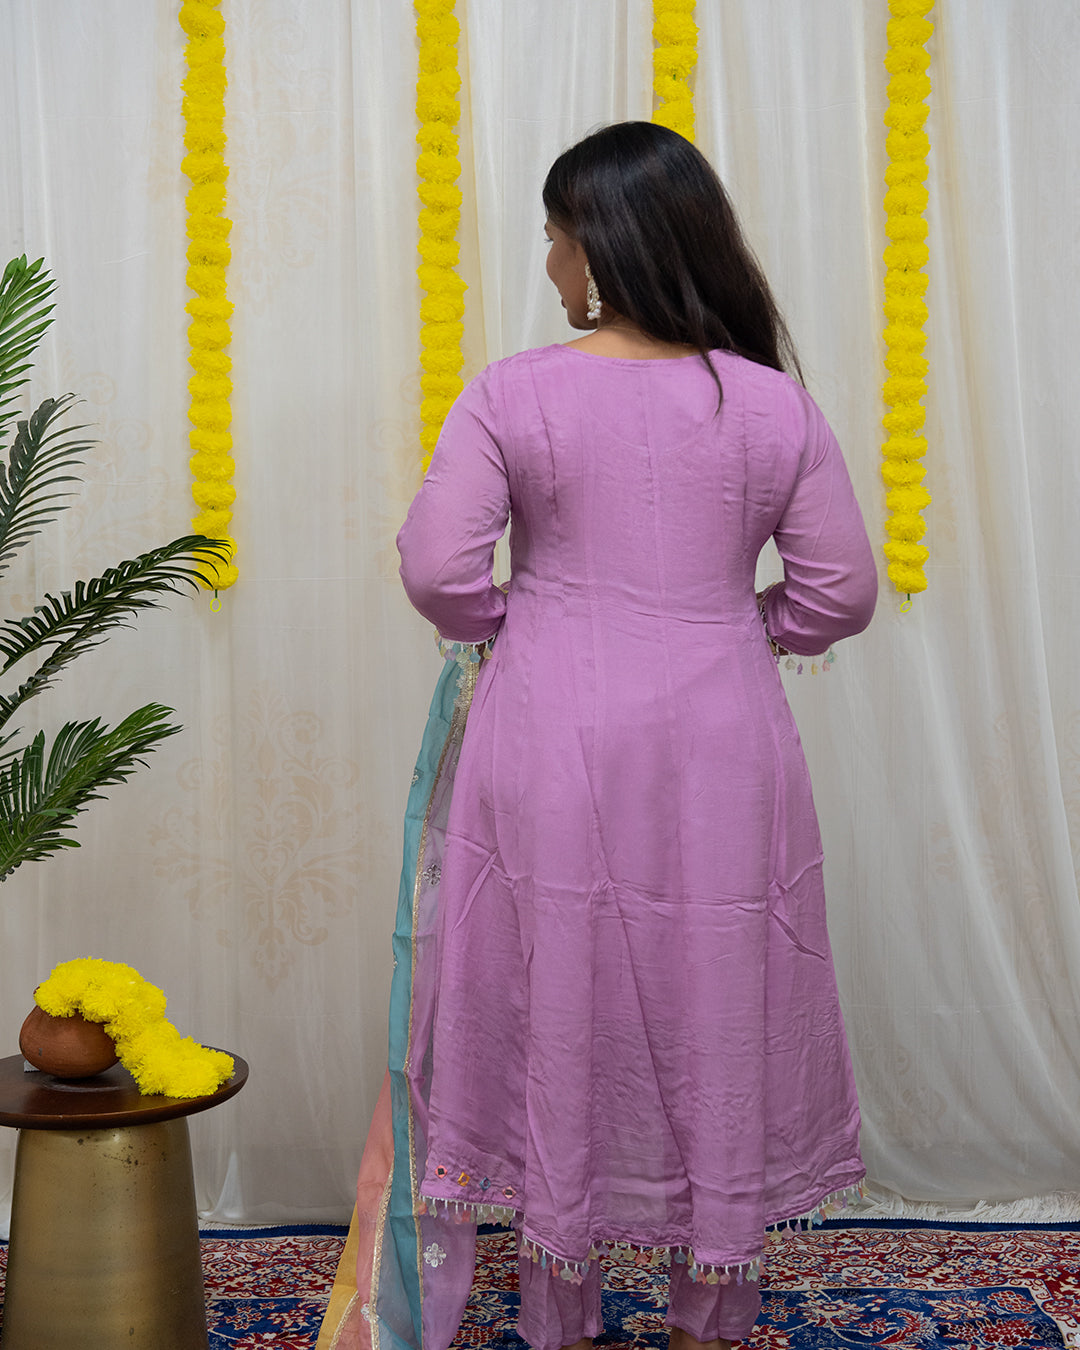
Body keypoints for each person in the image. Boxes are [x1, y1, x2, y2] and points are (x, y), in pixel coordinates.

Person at [393, 121, 877, 1350]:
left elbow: (440, 572)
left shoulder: (514, 390)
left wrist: (529, 611)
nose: (549, 261)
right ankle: (710, 1307)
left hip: (549, 725)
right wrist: (732, 621)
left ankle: (563, 1305)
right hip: (723, 735)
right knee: (715, 982)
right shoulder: (773, 407)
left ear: (596, 246)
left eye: (554, 236)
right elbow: (838, 597)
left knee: (558, 976)